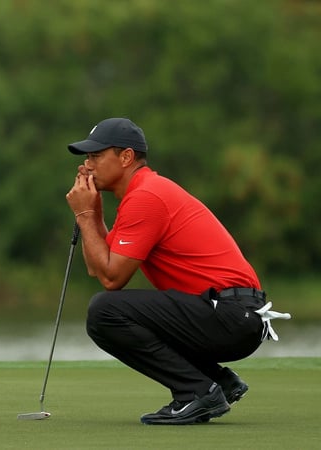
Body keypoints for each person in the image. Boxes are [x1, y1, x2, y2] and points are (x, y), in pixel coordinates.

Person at [64, 117, 289, 425]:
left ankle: (197, 392)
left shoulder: (146, 197)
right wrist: (94, 211)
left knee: (104, 311)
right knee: (111, 310)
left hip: (232, 315)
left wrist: (85, 214)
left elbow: (111, 279)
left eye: (95, 156)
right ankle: (218, 382)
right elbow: (98, 266)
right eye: (87, 158)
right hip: (233, 314)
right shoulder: (141, 194)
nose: (87, 165)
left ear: (126, 157)